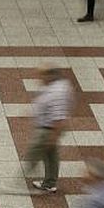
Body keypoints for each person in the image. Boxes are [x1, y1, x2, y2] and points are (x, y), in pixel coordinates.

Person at [27, 65, 73, 194]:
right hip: (48, 126)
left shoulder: (57, 93)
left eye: (41, 76)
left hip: (49, 128)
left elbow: (59, 118)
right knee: (51, 155)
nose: (38, 79)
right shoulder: (58, 85)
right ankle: (49, 183)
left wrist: (54, 136)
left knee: (33, 153)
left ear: (49, 76)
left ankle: (18, 181)